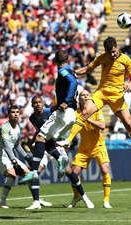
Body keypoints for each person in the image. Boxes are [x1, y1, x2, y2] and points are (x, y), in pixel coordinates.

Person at [57, 37, 131, 170]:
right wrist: (71, 73)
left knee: (128, 123)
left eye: (114, 51)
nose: (112, 54)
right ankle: (69, 140)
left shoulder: (126, 60)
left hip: (116, 96)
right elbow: (88, 69)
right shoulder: (102, 58)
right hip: (102, 92)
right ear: (105, 50)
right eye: (109, 52)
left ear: (117, 47)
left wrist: (130, 83)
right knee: (85, 111)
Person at [18, 49, 78, 184]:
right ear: (67, 59)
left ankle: (34, 172)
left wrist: (65, 101)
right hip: (70, 115)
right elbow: (74, 78)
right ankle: (60, 159)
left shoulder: (62, 71)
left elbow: (73, 83)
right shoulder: (71, 70)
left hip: (64, 112)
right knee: (47, 140)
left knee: (40, 137)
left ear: (55, 61)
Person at [28, 95, 94, 209]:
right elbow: (40, 131)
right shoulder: (32, 118)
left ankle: (83, 196)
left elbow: (57, 111)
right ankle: (36, 201)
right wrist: (32, 142)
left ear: (43, 103)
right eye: (35, 102)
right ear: (32, 105)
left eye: (40, 102)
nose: (38, 104)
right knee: (34, 172)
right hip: (44, 145)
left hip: (55, 144)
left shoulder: (49, 113)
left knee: (69, 171)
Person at [67, 90, 112, 209]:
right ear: (79, 99)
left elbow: (102, 126)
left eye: (88, 95)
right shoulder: (75, 113)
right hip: (84, 148)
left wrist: (86, 118)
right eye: (83, 95)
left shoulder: (96, 109)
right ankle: (77, 196)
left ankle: (106, 200)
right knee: (73, 173)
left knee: (104, 169)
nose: (86, 96)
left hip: (98, 146)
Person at [0, 105, 38, 209]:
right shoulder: (5, 127)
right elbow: (8, 147)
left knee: (30, 174)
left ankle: (36, 200)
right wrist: (14, 161)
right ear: (8, 114)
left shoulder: (17, 128)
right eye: (13, 112)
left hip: (9, 156)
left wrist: (27, 158)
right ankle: (2, 202)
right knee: (12, 175)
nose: (16, 114)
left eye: (17, 112)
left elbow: (16, 145)